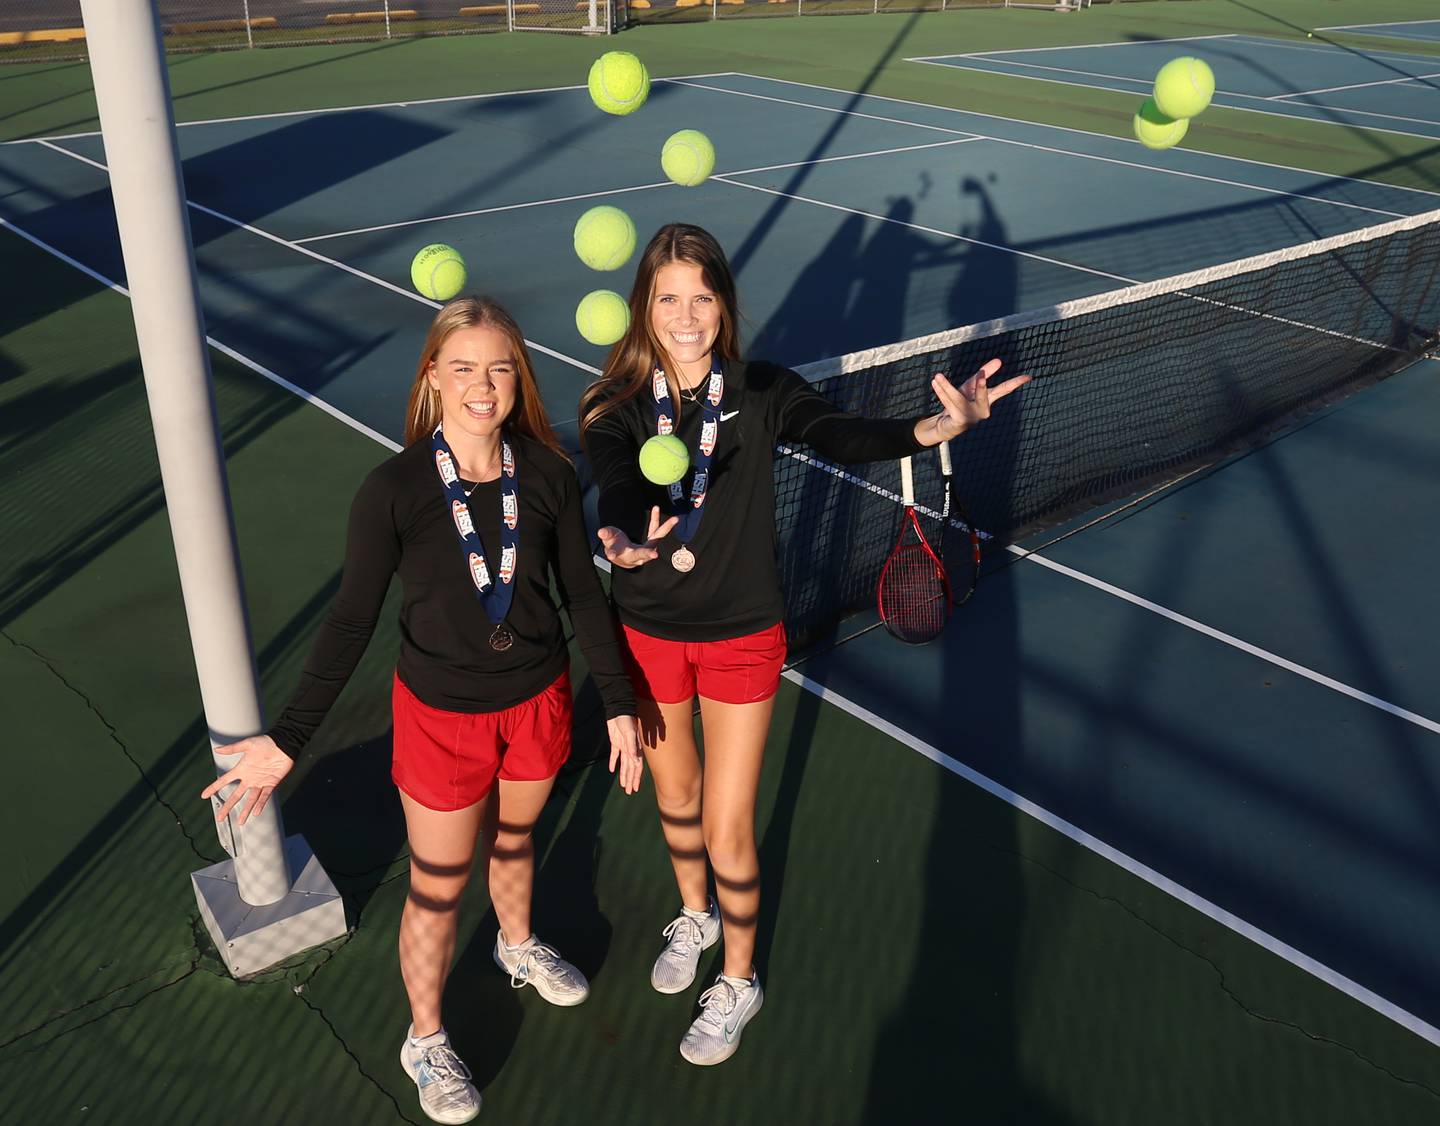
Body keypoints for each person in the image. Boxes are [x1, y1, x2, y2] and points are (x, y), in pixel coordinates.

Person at [579, 223, 1027, 1066]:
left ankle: (740, 979)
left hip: (742, 633)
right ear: (644, 306)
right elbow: (616, 474)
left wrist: (932, 431)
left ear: (723, 305)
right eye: (668, 298)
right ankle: (697, 915)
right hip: (649, 630)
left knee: (726, 824)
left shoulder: (764, 390)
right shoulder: (614, 402)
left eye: (701, 298)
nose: (685, 316)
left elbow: (840, 433)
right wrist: (619, 534)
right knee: (676, 800)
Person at [203, 296, 644, 1124]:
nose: (485, 386)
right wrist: (289, 739)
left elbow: (584, 595)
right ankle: (426, 1039)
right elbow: (350, 619)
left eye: (501, 368)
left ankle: (516, 944)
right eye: (466, 368)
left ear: (520, 378)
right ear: (433, 376)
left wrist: (616, 705)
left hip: (539, 703)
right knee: (438, 888)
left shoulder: (547, 472)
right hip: (442, 719)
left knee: (515, 840)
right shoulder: (394, 489)